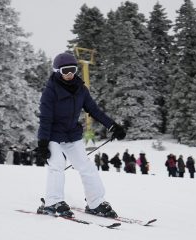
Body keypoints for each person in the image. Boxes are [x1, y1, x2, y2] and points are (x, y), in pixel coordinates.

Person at [37, 52, 126, 218]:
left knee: (86, 167)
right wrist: (42, 143)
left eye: (72, 70)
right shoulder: (50, 91)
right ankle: (53, 202)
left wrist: (112, 126)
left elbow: (93, 110)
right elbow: (45, 118)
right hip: (53, 135)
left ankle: (95, 202)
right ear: (58, 71)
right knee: (57, 164)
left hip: (72, 133)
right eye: (65, 71)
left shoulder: (80, 88)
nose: (70, 74)